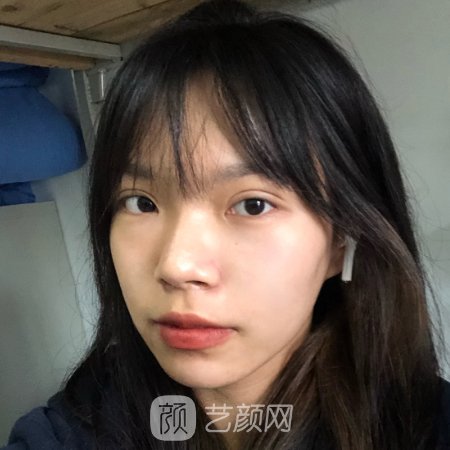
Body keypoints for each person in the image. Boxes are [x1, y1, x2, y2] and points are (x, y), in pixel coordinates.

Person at [2, 0, 449, 449]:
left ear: (342, 240)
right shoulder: (77, 426)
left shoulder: (425, 426)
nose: (177, 266)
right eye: (141, 202)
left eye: (253, 205)